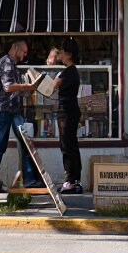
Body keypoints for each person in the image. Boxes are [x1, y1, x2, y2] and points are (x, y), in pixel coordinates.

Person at [0, 38, 44, 193]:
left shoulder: (12, 65)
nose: (25, 55)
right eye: (23, 52)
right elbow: (8, 87)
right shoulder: (6, 62)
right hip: (4, 110)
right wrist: (29, 86)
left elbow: (15, 89)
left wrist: (31, 88)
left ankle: (30, 180)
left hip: (13, 110)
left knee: (24, 142)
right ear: (15, 48)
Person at [53, 38, 83, 194]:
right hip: (68, 112)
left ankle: (70, 180)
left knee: (67, 146)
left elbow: (52, 86)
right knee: (70, 144)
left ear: (69, 54)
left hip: (67, 112)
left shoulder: (69, 72)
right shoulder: (69, 71)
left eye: (62, 52)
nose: (60, 54)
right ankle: (73, 178)